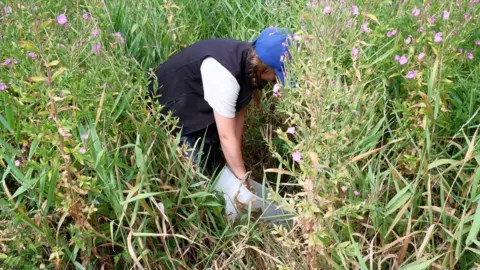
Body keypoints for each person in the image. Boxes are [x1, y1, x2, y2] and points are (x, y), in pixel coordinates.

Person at [148, 26, 292, 180]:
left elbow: (236, 125)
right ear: (266, 69)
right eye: (277, 75)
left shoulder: (250, 67)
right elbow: (227, 136)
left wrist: (235, 171)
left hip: (199, 102)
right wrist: (243, 181)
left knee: (215, 162)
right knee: (194, 175)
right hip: (170, 105)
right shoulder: (226, 76)